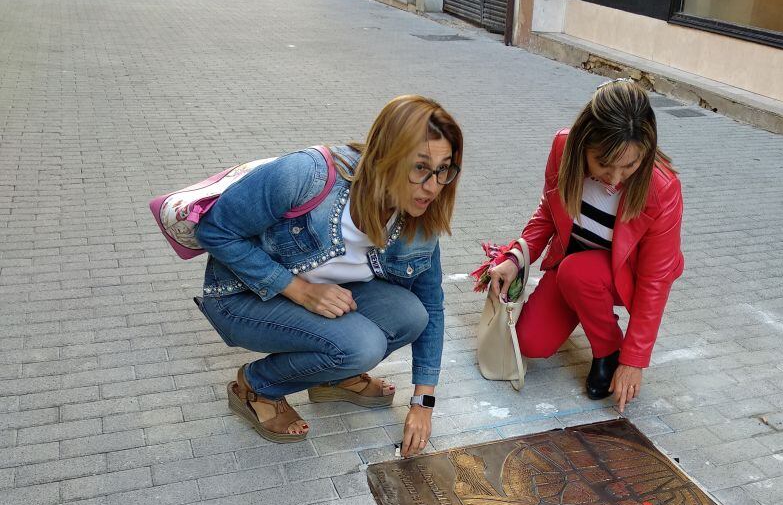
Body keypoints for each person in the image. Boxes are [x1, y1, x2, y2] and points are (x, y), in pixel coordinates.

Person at [193, 95, 462, 456]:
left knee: (412, 314)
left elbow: (432, 304)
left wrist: (423, 402)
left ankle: (334, 377)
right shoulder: (307, 175)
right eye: (420, 168)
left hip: (326, 295)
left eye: (444, 169)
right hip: (243, 298)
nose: (433, 186)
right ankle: (256, 386)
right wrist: (297, 289)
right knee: (361, 345)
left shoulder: (420, 216)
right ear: (387, 158)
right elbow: (213, 230)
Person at [485, 79, 684, 412]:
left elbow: (654, 282)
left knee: (578, 273)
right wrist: (514, 257)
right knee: (530, 343)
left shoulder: (663, 189)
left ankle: (608, 350)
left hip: (626, 278)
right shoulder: (563, 149)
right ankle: (588, 306)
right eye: (604, 164)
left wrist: (634, 360)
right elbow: (549, 212)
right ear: (584, 143)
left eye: (630, 165)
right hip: (574, 268)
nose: (616, 179)